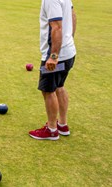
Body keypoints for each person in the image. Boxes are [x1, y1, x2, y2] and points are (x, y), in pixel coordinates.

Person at [29, 0, 76, 140]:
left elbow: (56, 27)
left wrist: (54, 56)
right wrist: (69, 40)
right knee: (59, 86)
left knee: (48, 90)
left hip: (56, 55)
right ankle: (62, 124)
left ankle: (51, 130)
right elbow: (73, 15)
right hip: (68, 52)